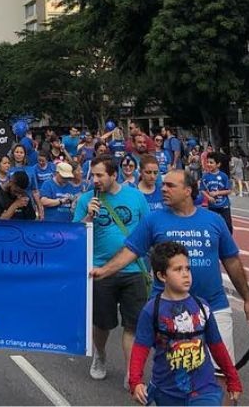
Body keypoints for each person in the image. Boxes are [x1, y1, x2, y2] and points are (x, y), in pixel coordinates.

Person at [91, 170, 249, 359]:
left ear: (187, 190)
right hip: (168, 310)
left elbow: (232, 261)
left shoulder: (214, 221)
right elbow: (131, 251)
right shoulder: (153, 220)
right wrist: (103, 271)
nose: (163, 189)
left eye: (170, 185)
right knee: (175, 374)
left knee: (220, 372)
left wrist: (247, 299)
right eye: (163, 184)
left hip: (214, 307)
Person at [128, 241, 242, 406]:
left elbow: (217, 345)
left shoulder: (202, 306)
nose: (185, 274)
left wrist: (233, 378)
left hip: (204, 389)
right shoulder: (152, 310)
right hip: (166, 391)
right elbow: (140, 348)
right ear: (161, 276)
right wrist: (135, 381)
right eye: (177, 269)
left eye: (187, 268)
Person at [76, 156, 150, 382]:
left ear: (113, 175)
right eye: (93, 175)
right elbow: (74, 236)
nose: (95, 180)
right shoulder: (85, 199)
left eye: (100, 175)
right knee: (102, 322)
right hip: (100, 270)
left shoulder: (136, 197)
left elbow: (148, 229)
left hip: (134, 269)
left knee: (133, 324)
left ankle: (132, 371)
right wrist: (88, 215)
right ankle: (100, 354)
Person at [200, 153, 232, 232]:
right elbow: (202, 189)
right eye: (207, 162)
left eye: (211, 163)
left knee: (228, 225)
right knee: (212, 225)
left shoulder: (223, 176)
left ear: (218, 164)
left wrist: (217, 193)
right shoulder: (205, 177)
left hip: (224, 206)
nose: (209, 164)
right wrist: (209, 197)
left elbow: (229, 190)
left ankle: (228, 240)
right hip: (212, 206)